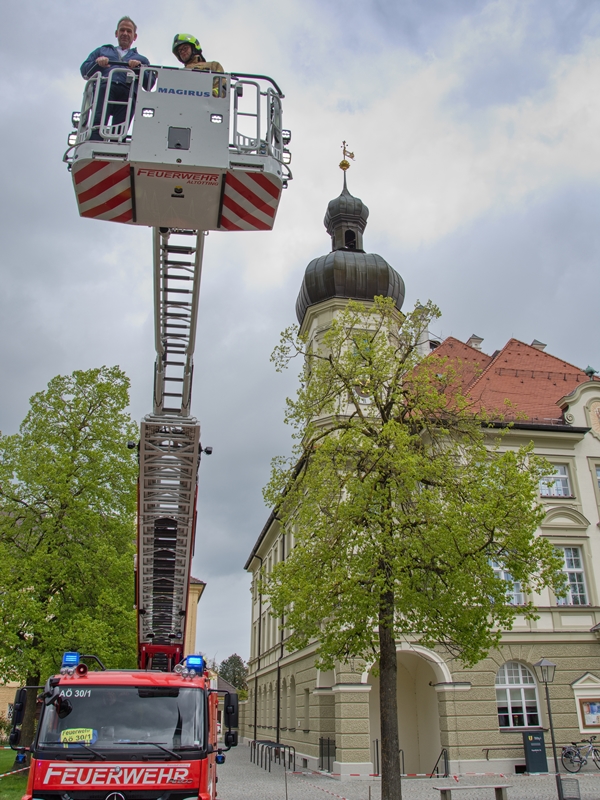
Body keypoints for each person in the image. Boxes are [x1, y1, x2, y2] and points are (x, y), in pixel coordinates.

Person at [80, 17, 150, 139]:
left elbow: (149, 84)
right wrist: (97, 63)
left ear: (134, 36)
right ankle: (95, 139)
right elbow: (84, 71)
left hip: (127, 93)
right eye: (122, 30)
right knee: (98, 123)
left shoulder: (141, 59)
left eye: (129, 31)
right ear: (116, 33)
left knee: (119, 131)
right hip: (105, 89)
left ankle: (118, 141)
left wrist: (139, 68)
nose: (125, 33)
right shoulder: (102, 51)